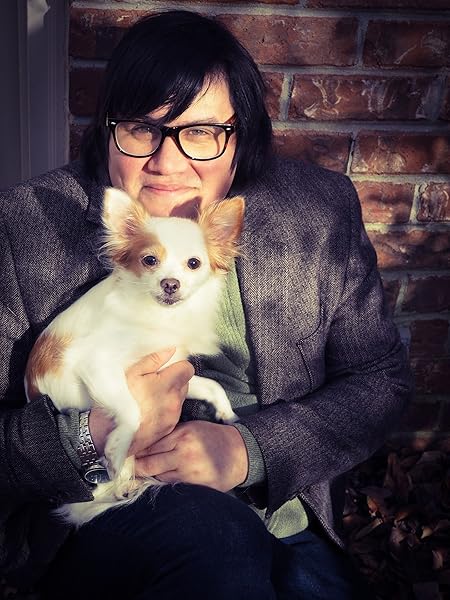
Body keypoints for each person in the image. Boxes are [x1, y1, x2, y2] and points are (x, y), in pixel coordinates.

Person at [0, 9, 412, 600]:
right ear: (107, 129)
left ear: (240, 138)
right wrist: (88, 435)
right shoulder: (25, 223)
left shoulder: (318, 210)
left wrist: (250, 451)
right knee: (213, 539)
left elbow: (380, 380)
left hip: (283, 515)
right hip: (104, 515)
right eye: (141, 128)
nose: (166, 164)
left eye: (200, 132)